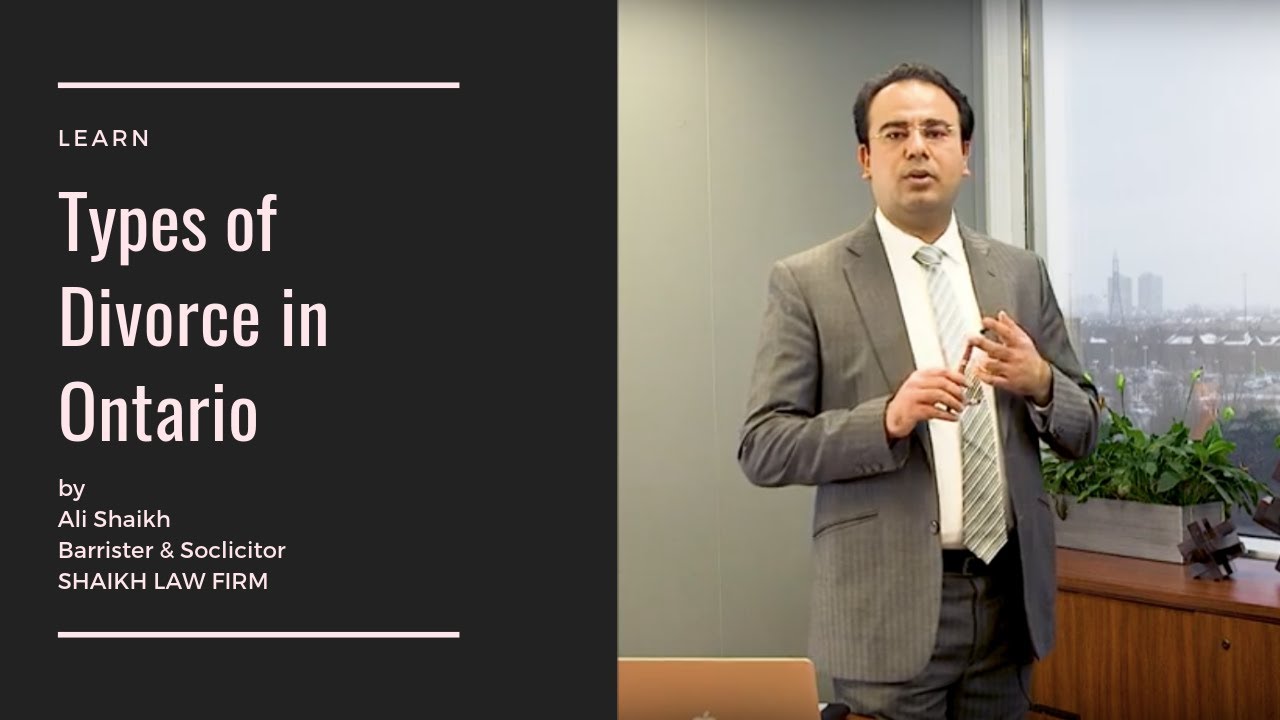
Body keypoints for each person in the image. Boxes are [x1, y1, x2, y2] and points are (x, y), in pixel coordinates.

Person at [736, 62, 1101, 719]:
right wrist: (887, 419)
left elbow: (1089, 427)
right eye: (895, 133)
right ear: (865, 159)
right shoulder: (808, 282)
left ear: (965, 154)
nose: (916, 147)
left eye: (935, 131)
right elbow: (764, 446)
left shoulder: (1021, 274)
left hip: (1008, 604)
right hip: (886, 613)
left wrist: (1042, 382)